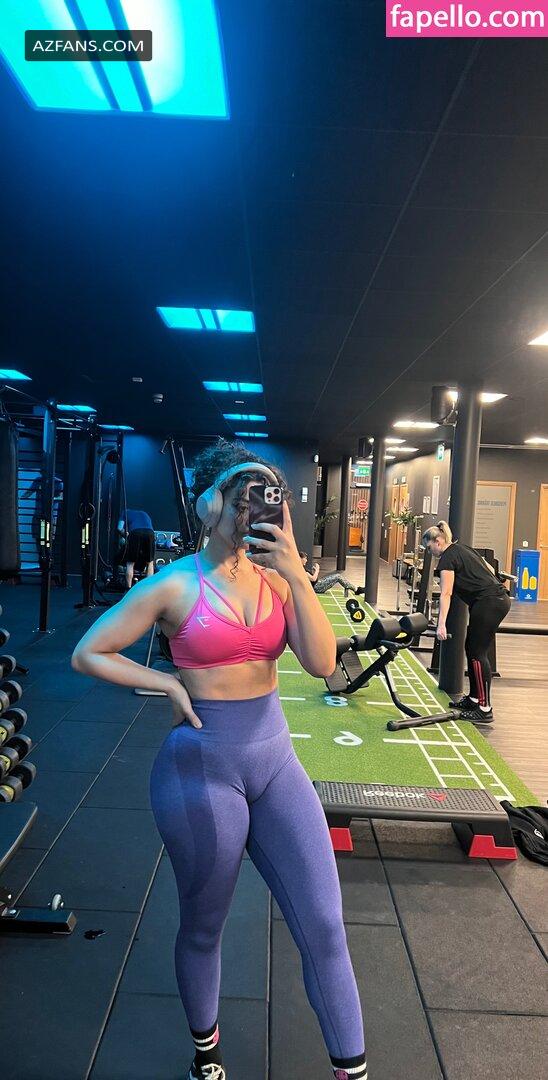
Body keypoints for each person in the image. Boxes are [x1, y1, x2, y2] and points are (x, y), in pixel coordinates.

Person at [72, 439, 367, 1080]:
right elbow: (89, 651)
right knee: (205, 926)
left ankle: (353, 1070)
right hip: (202, 769)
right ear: (211, 503)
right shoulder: (173, 584)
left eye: (266, 501)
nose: (253, 513)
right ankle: (206, 1056)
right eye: (243, 500)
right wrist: (167, 683)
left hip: (276, 764)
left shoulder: (278, 580)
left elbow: (323, 663)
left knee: (325, 925)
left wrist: (297, 572)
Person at [422, 520, 511, 725]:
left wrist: (441, 624)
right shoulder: (462, 548)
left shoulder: (447, 558)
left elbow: (446, 593)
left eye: (429, 547)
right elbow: (489, 567)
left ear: (438, 541)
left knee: (478, 653)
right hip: (493, 600)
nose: (430, 552)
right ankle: (474, 699)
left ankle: (484, 708)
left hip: (489, 602)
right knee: (472, 649)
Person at [117, 508, 155, 589]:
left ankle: (128, 589)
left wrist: (126, 536)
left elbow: (119, 528)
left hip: (135, 533)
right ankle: (148, 589)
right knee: (150, 563)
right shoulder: (144, 513)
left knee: (130, 563)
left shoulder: (124, 512)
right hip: (150, 533)